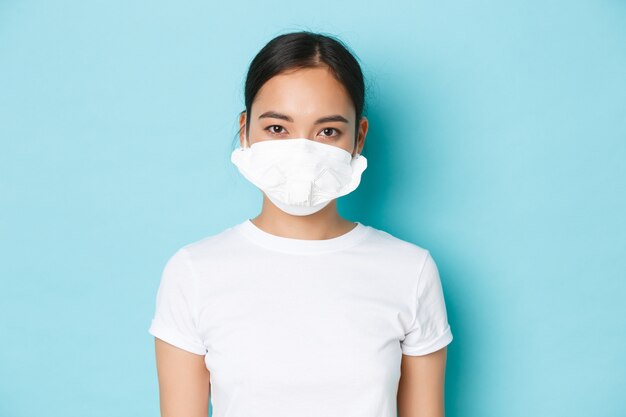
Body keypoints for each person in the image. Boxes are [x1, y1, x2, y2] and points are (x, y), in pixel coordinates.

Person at [148, 30, 454, 417]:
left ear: (357, 137)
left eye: (327, 131)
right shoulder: (193, 272)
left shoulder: (410, 271)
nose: (302, 151)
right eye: (277, 128)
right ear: (246, 131)